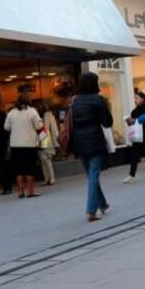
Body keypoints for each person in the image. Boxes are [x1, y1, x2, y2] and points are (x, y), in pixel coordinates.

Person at [70, 72, 113, 221]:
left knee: (91, 175)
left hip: (79, 142)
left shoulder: (74, 101)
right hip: (95, 140)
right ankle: (91, 211)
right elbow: (107, 123)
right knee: (93, 175)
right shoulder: (98, 100)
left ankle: (102, 204)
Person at [4, 92, 45, 198]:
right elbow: (39, 125)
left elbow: (6, 127)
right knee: (29, 168)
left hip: (15, 145)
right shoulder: (32, 112)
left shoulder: (11, 113)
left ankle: (20, 191)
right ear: (28, 101)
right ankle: (30, 191)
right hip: (29, 144)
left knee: (18, 169)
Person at [37, 103, 60, 186]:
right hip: (42, 138)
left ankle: (51, 178)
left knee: (46, 159)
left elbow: (47, 127)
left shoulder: (47, 115)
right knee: (43, 160)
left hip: (45, 138)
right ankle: (47, 178)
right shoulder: (43, 115)